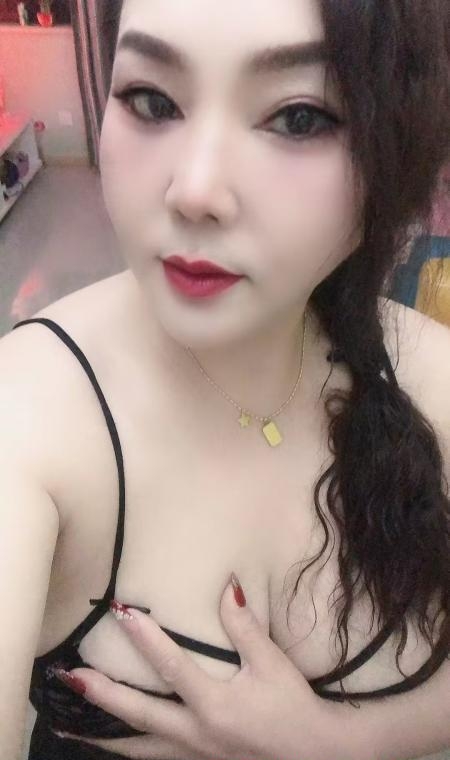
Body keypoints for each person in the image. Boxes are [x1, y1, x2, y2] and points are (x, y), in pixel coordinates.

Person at [1, 0, 449, 758]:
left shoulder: (430, 376)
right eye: (152, 101)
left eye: (299, 117)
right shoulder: (28, 416)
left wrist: (349, 743)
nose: (195, 190)